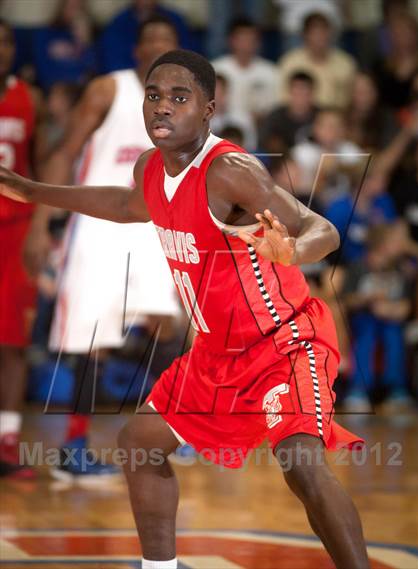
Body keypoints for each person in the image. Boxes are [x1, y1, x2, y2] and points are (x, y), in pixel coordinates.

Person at [0, 49, 369, 569]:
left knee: (301, 464)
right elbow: (125, 205)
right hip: (216, 355)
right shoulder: (151, 167)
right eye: (154, 95)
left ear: (208, 109)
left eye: (179, 97)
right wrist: (30, 190)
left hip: (283, 342)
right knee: (140, 445)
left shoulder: (230, 171)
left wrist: (293, 250)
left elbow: (323, 229)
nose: (163, 108)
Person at [25, 16, 180, 481]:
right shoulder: (107, 90)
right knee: (91, 338)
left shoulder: (181, 103)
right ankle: (74, 447)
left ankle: (169, 433)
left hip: (152, 226)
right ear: (135, 51)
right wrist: (39, 221)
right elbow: (64, 151)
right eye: (149, 41)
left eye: (166, 43)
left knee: (170, 326)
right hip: (98, 224)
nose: (157, 48)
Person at [0, 20, 43, 479]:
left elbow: (40, 161)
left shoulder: (29, 99)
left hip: (14, 229)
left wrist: (40, 228)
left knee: (12, 339)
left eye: (8, 41)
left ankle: (8, 442)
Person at [342, 222, 415, 412]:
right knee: (366, 335)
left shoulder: (400, 270)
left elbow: (406, 304)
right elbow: (347, 300)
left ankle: (396, 389)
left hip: (390, 318)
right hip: (364, 317)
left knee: (394, 336)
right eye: (395, 242)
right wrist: (367, 299)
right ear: (382, 246)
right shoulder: (358, 267)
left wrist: (391, 309)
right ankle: (358, 389)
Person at [277, 12, 357, 109]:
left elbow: (352, 99)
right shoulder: (290, 62)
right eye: (315, 33)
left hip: (337, 117)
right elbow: (283, 100)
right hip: (301, 118)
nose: (320, 37)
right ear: (305, 35)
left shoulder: (345, 63)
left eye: (324, 32)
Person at [212, 17, 278, 121]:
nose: (246, 44)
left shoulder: (270, 72)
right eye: (242, 39)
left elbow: (275, 108)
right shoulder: (216, 69)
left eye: (251, 39)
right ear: (231, 40)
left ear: (258, 42)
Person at [259, 71, 318, 153]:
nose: (300, 97)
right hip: (283, 160)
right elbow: (264, 142)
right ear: (289, 92)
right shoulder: (276, 117)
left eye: (305, 92)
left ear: (312, 93)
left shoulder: (321, 116)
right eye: (297, 92)